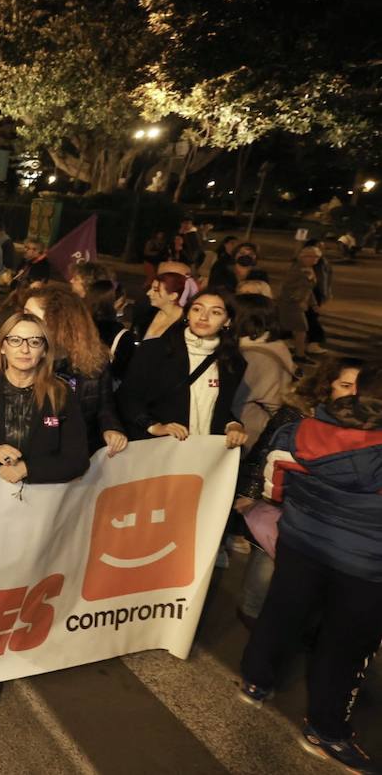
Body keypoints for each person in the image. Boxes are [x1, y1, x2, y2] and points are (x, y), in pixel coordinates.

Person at [239, 363, 382, 773]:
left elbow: (273, 486)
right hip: (367, 567)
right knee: (347, 647)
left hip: (301, 543)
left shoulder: (301, 429)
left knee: (281, 615)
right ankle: (326, 730)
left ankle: (255, 681)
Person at [0, 312, 90, 486]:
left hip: (39, 501)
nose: (24, 349)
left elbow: (77, 459)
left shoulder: (61, 394)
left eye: (34, 342)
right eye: (15, 340)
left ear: (44, 351)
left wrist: (28, 469)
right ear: (3, 347)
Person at [118, 290, 249, 447]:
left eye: (215, 312)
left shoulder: (232, 362)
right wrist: (154, 426)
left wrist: (233, 425)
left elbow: (215, 407)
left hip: (205, 455)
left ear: (227, 321)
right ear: (187, 314)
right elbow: (128, 398)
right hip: (159, 450)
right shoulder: (154, 351)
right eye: (197, 309)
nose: (203, 317)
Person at [21, 285, 127, 457]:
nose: (22, 321)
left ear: (60, 321)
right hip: (32, 452)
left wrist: (111, 429)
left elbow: (105, 405)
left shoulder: (95, 360)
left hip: (77, 451)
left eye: (30, 316)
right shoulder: (21, 355)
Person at [232, 293, 296, 450]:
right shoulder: (273, 345)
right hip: (259, 431)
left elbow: (227, 399)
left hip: (248, 436)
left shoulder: (252, 357)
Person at [278, 246, 322, 364]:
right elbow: (287, 287)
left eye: (317, 257)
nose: (314, 259)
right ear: (302, 256)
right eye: (311, 256)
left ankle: (298, 354)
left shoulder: (308, 269)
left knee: (298, 329)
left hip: (296, 304)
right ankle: (299, 355)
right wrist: (298, 299)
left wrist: (313, 304)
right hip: (290, 304)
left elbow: (309, 288)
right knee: (300, 328)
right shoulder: (296, 269)